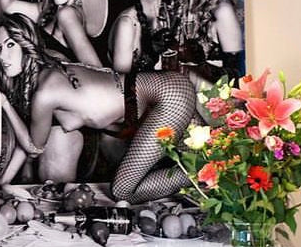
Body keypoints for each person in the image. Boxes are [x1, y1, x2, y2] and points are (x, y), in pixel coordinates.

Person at [19, 66, 194, 201]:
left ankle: (200, 177)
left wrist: (5, 104)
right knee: (202, 161)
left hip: (169, 96)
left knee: (122, 191)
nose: (5, 58)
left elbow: (34, 147)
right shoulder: (58, 72)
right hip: (168, 90)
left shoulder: (46, 92)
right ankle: (202, 177)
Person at [0, 13, 78, 183]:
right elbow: (27, 138)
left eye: (10, 45)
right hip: (48, 136)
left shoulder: (48, 76)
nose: (2, 56)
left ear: (26, 43)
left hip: (68, 132)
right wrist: (2, 180)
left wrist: (5, 104)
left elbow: (33, 148)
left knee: (52, 186)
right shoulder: (22, 76)